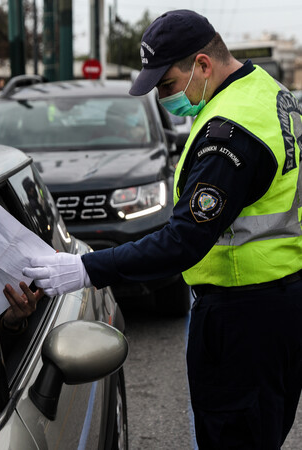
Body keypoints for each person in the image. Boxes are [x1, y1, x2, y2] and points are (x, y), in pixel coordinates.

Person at [22, 9, 302, 449]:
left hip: (243, 321)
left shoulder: (229, 133)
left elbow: (182, 240)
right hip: (280, 306)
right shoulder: (269, 94)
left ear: (203, 65)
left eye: (167, 84)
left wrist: (87, 269)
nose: (163, 98)